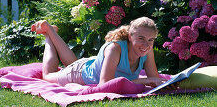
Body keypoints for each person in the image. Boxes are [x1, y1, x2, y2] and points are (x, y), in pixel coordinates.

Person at [31, 17, 166, 87]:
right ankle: (48, 34)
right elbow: (105, 83)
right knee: (48, 75)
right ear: (130, 36)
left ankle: (52, 31)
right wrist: (147, 81)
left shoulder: (147, 50)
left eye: (151, 40)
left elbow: (154, 80)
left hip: (90, 65)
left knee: (71, 63)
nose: (146, 44)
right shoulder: (115, 48)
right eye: (141, 38)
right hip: (79, 75)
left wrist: (165, 84)